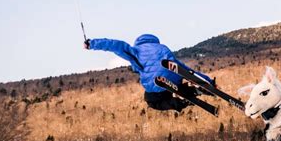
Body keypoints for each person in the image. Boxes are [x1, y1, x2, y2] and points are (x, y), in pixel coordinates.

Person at [84, 34, 215, 112]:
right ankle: (195, 91)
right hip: (174, 76)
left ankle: (182, 103)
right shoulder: (163, 48)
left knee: (152, 101)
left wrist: (92, 44)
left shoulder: (136, 50)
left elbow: (116, 45)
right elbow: (184, 68)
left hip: (156, 83)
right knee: (179, 85)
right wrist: (207, 81)